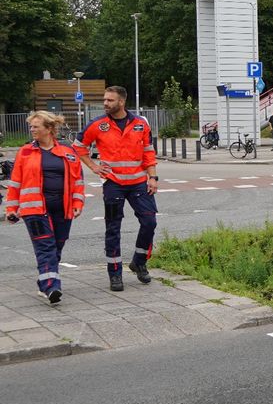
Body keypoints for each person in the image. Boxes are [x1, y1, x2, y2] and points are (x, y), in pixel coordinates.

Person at [75, 86, 158, 292]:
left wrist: (153, 177)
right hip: (113, 184)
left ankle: (139, 261)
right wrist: (94, 166)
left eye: (110, 100)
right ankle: (114, 273)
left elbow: (148, 151)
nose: (105, 103)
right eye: (105, 99)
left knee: (149, 222)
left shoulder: (140, 124)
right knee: (113, 228)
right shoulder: (97, 124)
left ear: (121, 102)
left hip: (139, 183)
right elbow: (78, 146)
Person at [4, 111, 86, 304]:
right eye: (31, 126)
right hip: (34, 210)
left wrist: (77, 203)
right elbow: (15, 183)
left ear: (49, 129)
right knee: (45, 246)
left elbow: (77, 181)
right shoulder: (25, 152)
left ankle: (44, 282)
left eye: (36, 126)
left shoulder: (67, 152)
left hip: (63, 208)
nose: (32, 129)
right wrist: (11, 209)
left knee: (57, 245)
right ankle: (51, 286)